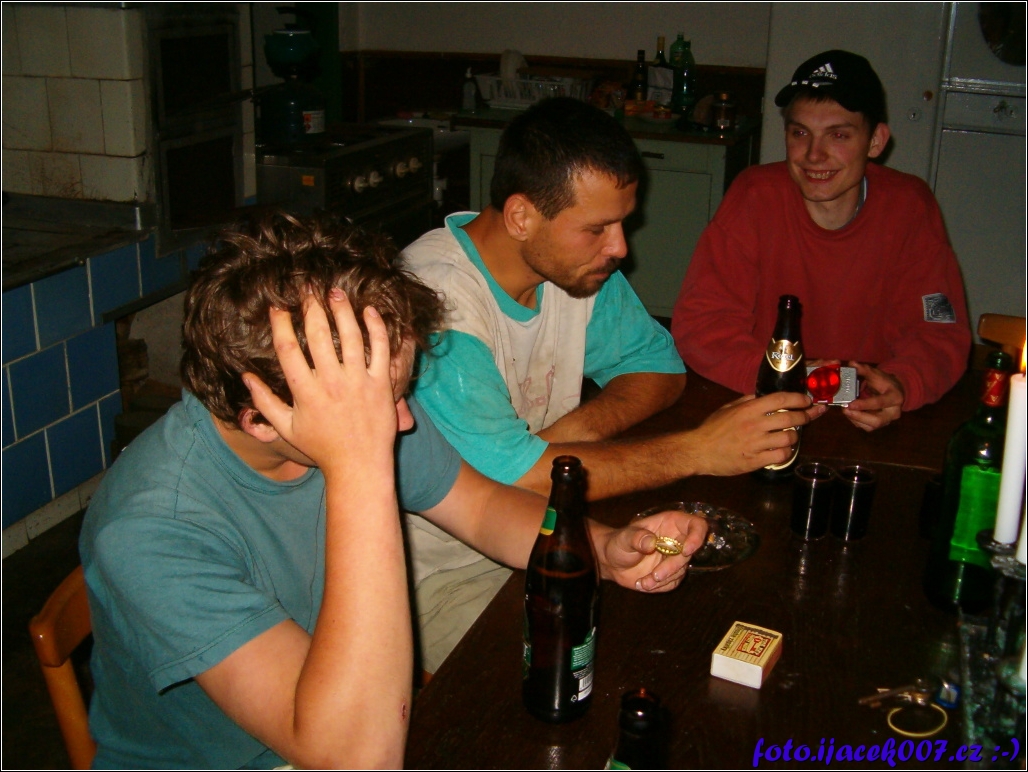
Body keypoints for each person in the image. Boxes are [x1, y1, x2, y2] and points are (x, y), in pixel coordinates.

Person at [79, 212, 710, 769]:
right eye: (388, 405)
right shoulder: (151, 528)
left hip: (354, 712)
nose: (405, 422)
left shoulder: (351, 401)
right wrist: (359, 463)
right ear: (262, 419)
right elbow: (357, 758)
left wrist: (602, 549)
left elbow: (481, 507)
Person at [402, 98, 822, 674]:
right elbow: (515, 480)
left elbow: (659, 368)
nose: (620, 247)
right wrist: (700, 451)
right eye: (597, 228)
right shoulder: (436, 304)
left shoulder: (570, 268)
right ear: (521, 217)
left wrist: (573, 433)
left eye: (621, 222)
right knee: (621, 672)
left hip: (546, 531)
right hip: (442, 576)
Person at [671, 50, 971, 432]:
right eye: (800, 133)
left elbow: (939, 331)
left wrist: (902, 383)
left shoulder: (910, 206)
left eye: (839, 135)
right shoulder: (754, 195)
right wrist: (783, 377)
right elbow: (701, 324)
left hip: (869, 417)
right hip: (765, 404)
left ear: (875, 141)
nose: (814, 155)